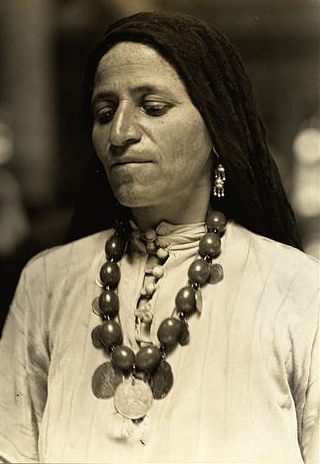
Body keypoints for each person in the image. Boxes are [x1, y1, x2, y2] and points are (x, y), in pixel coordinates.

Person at [0, 11, 318, 464]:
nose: (120, 134)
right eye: (104, 113)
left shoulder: (299, 288)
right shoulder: (46, 283)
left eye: (152, 108)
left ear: (216, 125)